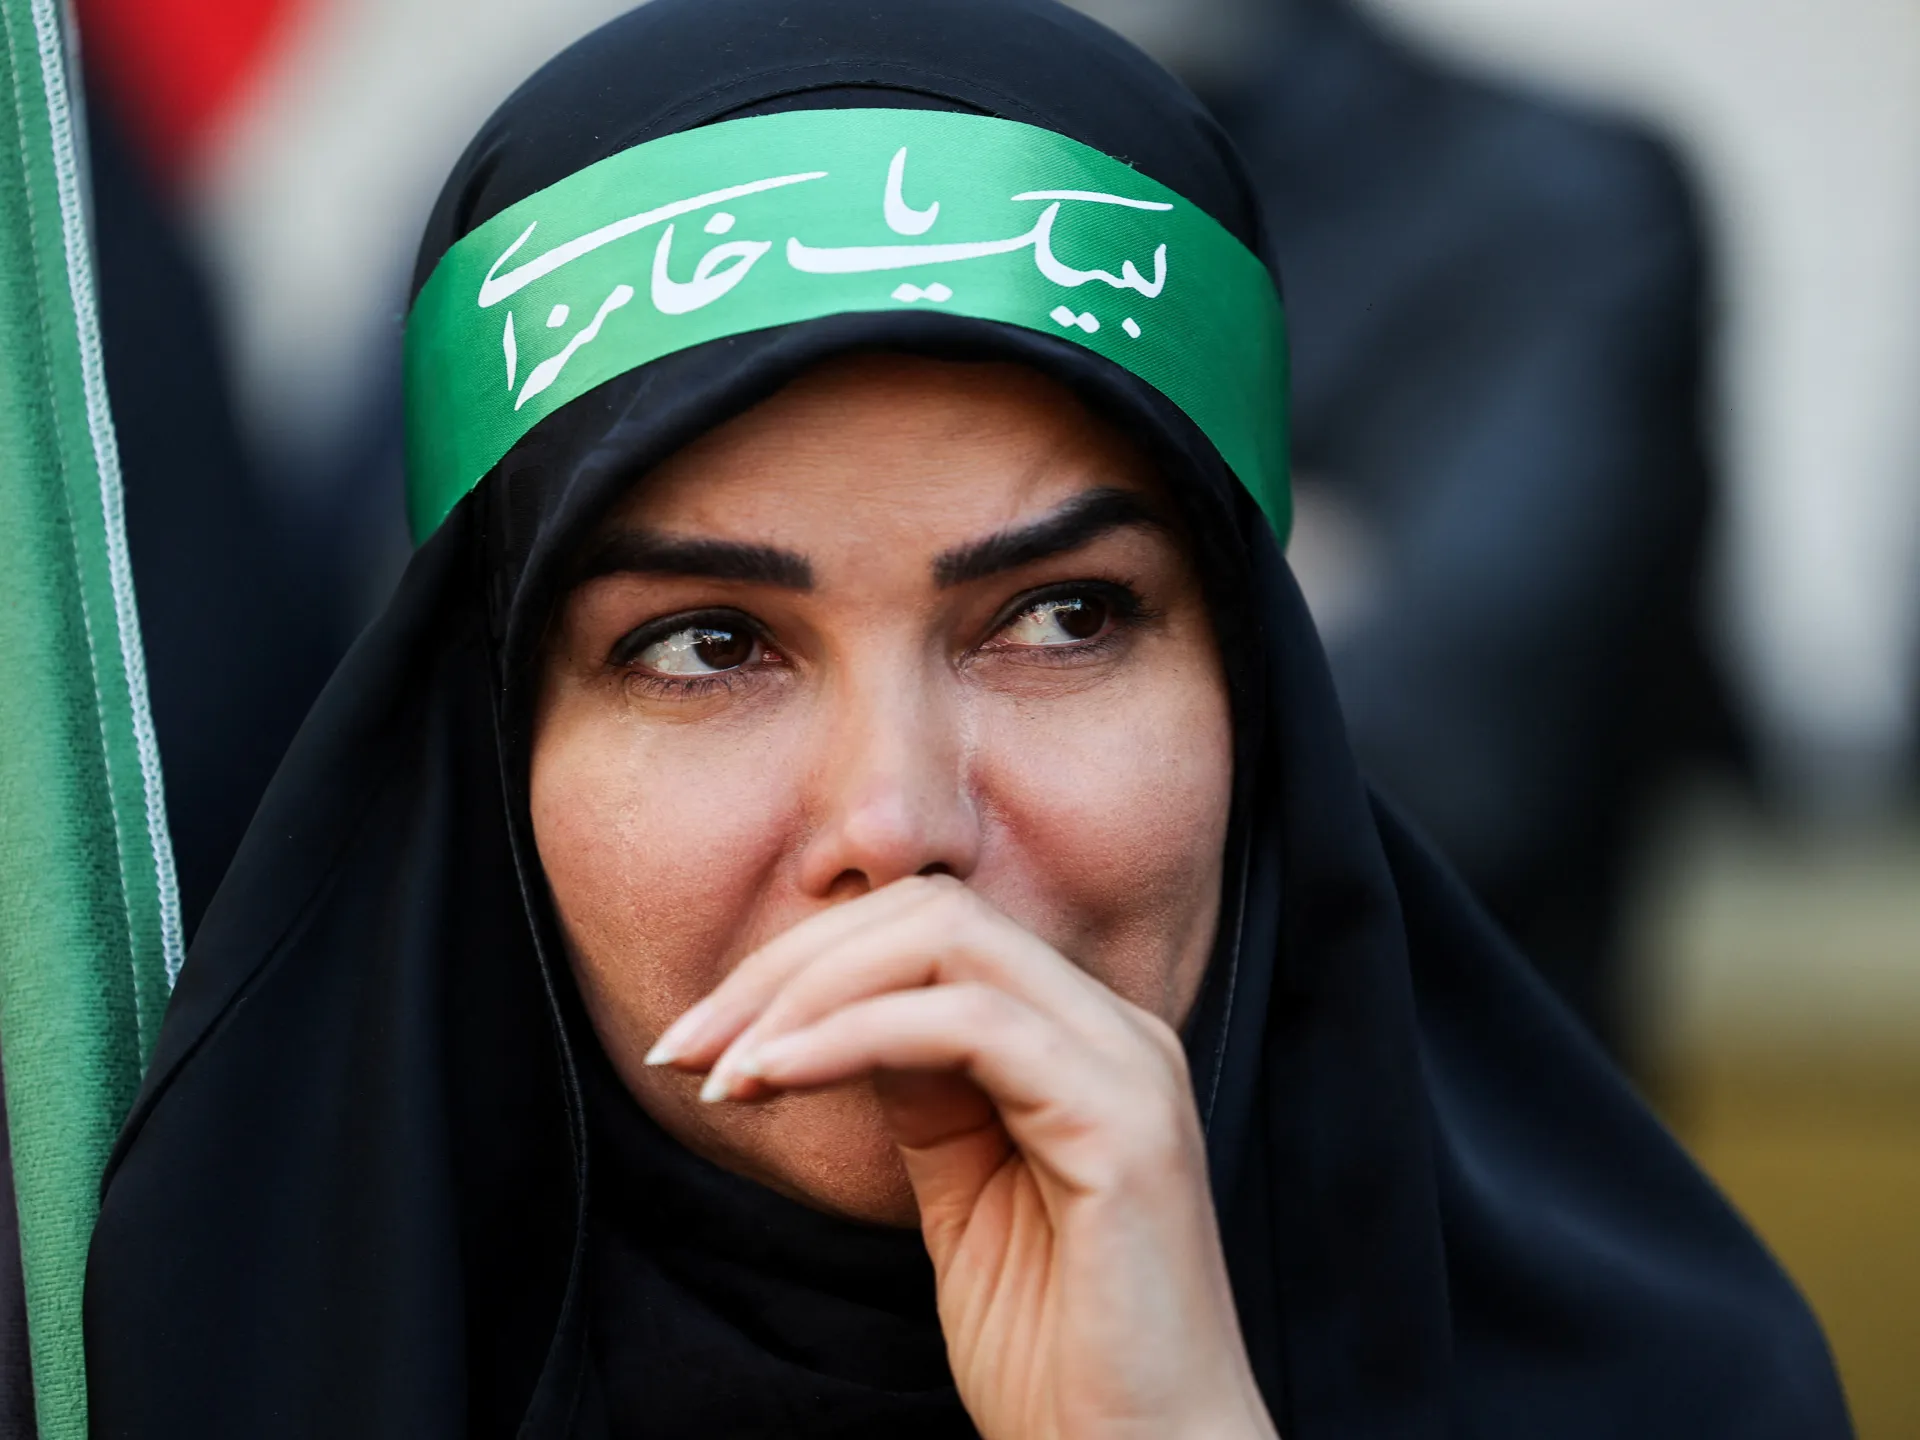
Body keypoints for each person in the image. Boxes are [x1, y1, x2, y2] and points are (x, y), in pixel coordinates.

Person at [83, 2, 1850, 1437]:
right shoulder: (157, 1381)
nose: (900, 819)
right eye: (708, 645)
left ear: (1264, 701)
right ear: (487, 747)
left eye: (1063, 620)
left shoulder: (1669, 1394)